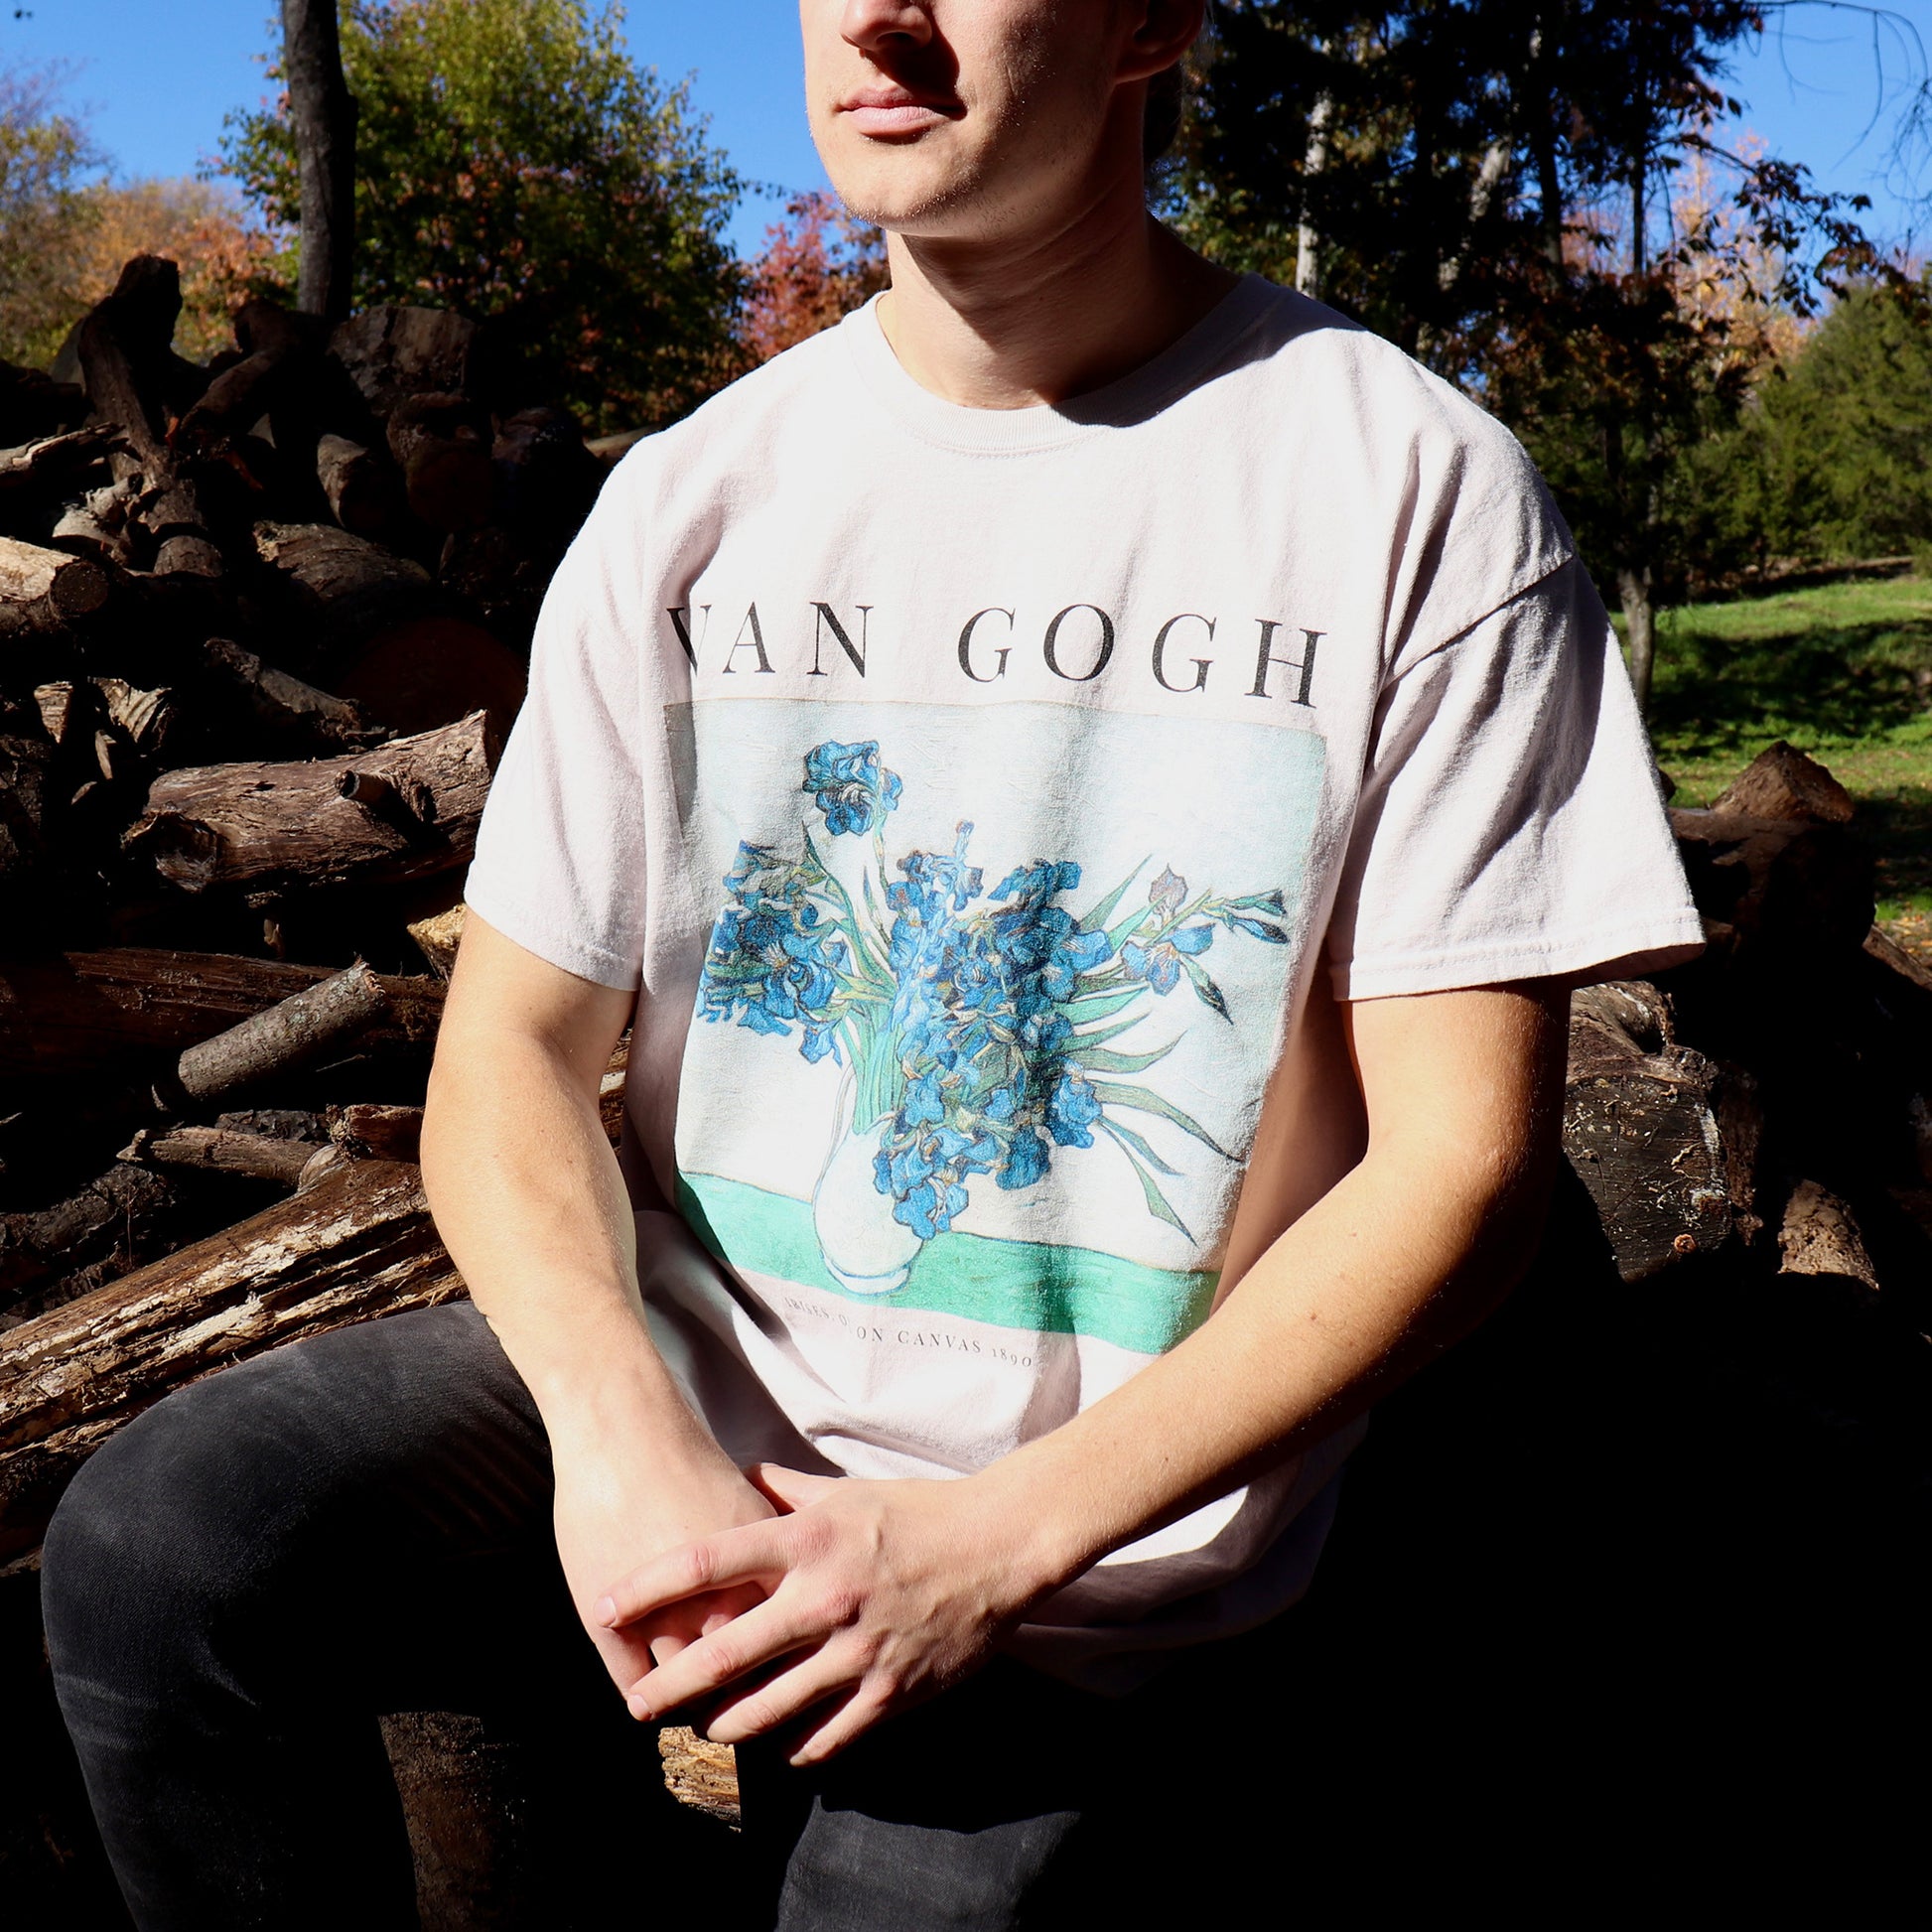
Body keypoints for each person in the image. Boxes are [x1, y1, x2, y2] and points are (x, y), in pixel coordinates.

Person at [41, 1, 1705, 1924]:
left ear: (1148, 20)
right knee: (167, 1552)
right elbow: (503, 1048)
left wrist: (986, 1549)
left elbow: (1460, 1166)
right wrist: (622, 1436)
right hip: (712, 1396)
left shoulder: (1403, 483)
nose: (884, 15)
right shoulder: (695, 496)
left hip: (1106, 1564)